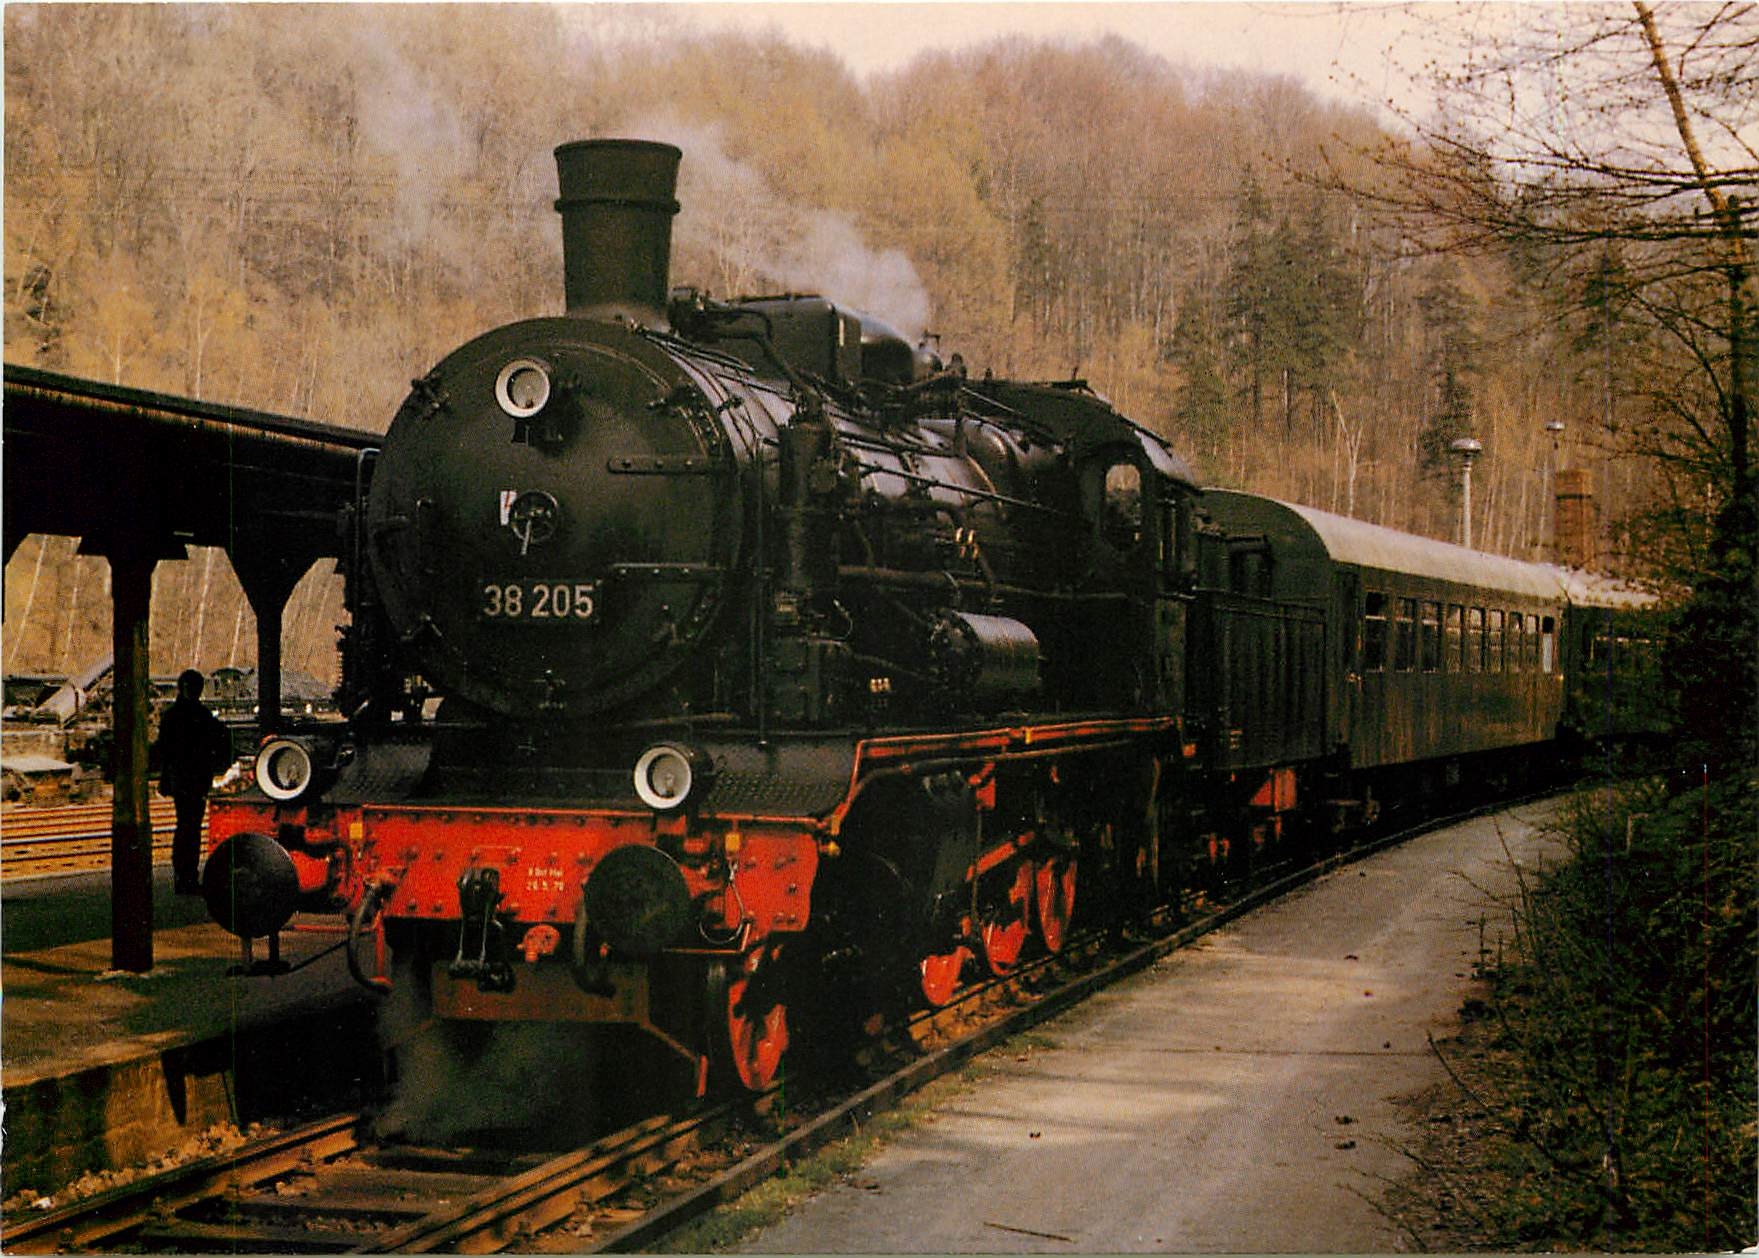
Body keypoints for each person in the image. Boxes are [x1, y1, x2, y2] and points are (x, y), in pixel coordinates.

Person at [154, 669, 232, 895]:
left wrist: (166, 779)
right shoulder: (203, 716)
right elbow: (221, 741)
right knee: (191, 828)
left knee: (184, 827)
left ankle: (183, 875)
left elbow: (163, 751)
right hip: (195, 781)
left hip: (181, 781)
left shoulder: (170, 716)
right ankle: (187, 877)